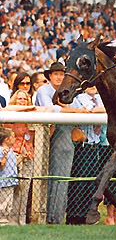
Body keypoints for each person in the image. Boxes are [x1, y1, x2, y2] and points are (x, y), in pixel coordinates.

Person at [35, 62, 89, 224]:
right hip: (46, 138)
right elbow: (50, 110)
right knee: (46, 179)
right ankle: (46, 216)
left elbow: (85, 108)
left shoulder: (69, 89)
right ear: (49, 76)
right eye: (56, 74)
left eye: (61, 74)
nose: (59, 77)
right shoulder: (43, 90)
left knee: (62, 178)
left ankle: (56, 216)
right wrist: (76, 111)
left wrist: (76, 111)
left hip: (65, 137)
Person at [66, 86, 106, 225]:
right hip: (83, 144)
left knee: (91, 181)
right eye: (89, 84)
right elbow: (85, 112)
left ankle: (86, 214)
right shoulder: (78, 98)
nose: (93, 87)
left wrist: (95, 110)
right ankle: (74, 214)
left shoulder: (101, 98)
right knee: (79, 180)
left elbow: (104, 109)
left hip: (96, 144)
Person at [2, 91, 36, 224]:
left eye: (25, 99)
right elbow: (6, 108)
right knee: (12, 187)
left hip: (28, 154)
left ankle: (21, 220)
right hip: (12, 155)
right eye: (19, 99)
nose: (22, 101)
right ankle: (9, 219)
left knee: (25, 188)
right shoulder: (10, 114)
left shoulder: (33, 116)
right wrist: (26, 108)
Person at [0, 127, 22, 225]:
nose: (15, 139)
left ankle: (6, 220)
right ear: (7, 139)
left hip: (11, 181)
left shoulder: (11, 150)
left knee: (9, 203)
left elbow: (13, 164)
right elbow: (2, 165)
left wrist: (22, 158)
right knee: (3, 203)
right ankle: (2, 220)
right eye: (13, 137)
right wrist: (5, 156)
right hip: (5, 182)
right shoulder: (2, 150)